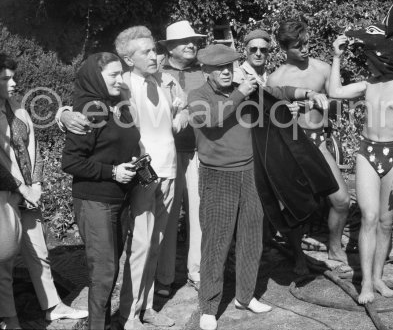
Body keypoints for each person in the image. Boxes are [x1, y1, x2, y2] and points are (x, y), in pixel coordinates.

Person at [188, 44, 328, 330]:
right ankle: (209, 307)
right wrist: (241, 93)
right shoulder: (197, 96)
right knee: (216, 242)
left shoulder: (247, 87)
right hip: (218, 176)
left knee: (252, 238)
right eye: (219, 68)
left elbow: (278, 92)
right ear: (206, 71)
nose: (226, 72)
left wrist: (307, 93)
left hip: (252, 172)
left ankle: (244, 296)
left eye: (230, 66)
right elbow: (213, 119)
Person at [327, 0, 393, 304]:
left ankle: (379, 278)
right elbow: (335, 92)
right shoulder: (368, 84)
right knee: (368, 217)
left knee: (385, 221)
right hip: (368, 152)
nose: (366, 63)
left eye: (369, 57)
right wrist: (336, 58)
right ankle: (365, 283)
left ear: (381, 57)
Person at [0, 53, 88, 329]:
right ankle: (11, 320)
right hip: (4, 195)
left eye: (13, 76)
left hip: (27, 194)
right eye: (5, 78)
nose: (14, 82)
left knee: (39, 252)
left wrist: (35, 184)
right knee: (3, 260)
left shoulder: (19, 109)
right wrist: (21, 188)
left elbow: (34, 150)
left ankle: (53, 306)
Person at [114, 26, 186, 330]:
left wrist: (183, 113)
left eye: (154, 50)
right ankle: (127, 315)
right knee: (140, 246)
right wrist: (65, 115)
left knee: (156, 243)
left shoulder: (167, 81)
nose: (155, 55)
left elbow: (185, 105)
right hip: (144, 175)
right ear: (130, 60)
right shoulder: (122, 87)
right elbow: (87, 105)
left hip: (169, 170)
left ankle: (146, 307)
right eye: (146, 52)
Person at [61, 52, 141, 330]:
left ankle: (103, 325)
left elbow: (117, 145)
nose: (120, 80)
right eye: (113, 75)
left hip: (119, 198)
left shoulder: (116, 105)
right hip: (95, 201)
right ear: (96, 77)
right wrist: (113, 171)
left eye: (121, 74)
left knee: (110, 269)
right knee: (104, 274)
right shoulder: (91, 109)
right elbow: (70, 162)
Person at [268, 20, 351, 275]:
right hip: (292, 147)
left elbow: (340, 107)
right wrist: (286, 112)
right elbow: (270, 121)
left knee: (341, 200)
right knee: (294, 208)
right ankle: (298, 256)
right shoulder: (276, 79)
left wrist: (317, 106)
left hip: (318, 142)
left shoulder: (323, 69)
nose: (304, 50)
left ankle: (335, 248)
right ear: (284, 48)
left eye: (306, 44)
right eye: (297, 46)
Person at [155, 20, 206, 295]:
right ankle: (164, 277)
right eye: (184, 42)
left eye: (194, 41)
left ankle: (196, 271)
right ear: (170, 48)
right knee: (168, 215)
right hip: (168, 154)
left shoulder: (205, 71)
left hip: (198, 151)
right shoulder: (157, 75)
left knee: (198, 213)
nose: (191, 45)